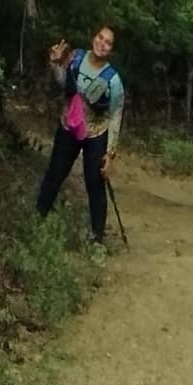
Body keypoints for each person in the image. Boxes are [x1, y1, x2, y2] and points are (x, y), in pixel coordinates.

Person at [35, 23, 123, 254]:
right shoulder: (75, 58)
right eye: (100, 37)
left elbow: (116, 116)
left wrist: (110, 153)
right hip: (68, 127)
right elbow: (64, 83)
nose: (102, 43)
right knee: (54, 174)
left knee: (95, 184)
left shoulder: (113, 80)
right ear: (93, 37)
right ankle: (36, 220)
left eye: (108, 42)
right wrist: (55, 63)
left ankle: (97, 239)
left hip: (96, 134)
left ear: (111, 50)